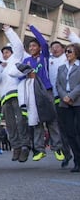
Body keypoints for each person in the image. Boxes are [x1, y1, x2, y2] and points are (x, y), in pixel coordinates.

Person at [22, 24, 64, 162]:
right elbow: (20, 75)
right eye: (30, 47)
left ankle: (57, 148)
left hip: (46, 90)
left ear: (39, 48)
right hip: (33, 92)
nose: (32, 48)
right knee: (36, 121)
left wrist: (32, 28)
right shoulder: (26, 61)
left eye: (35, 46)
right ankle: (39, 150)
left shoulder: (44, 56)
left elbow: (44, 42)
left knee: (52, 119)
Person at [0, 25, 30, 162]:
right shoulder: (0, 67)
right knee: (10, 124)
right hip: (5, 98)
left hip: (16, 94)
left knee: (21, 121)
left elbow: (18, 46)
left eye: (7, 52)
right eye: (3, 52)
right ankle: (16, 146)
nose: (5, 54)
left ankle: (25, 146)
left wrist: (9, 32)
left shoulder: (16, 59)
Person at [56, 43, 80, 172]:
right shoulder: (61, 68)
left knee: (78, 131)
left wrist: (71, 96)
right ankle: (77, 161)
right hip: (65, 104)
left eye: (69, 51)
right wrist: (64, 96)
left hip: (77, 102)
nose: (67, 53)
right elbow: (58, 84)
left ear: (76, 52)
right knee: (70, 133)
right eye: (66, 51)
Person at [49, 41, 72, 167]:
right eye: (52, 48)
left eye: (57, 47)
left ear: (63, 49)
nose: (54, 50)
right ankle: (66, 154)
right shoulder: (50, 61)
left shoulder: (68, 59)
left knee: (74, 127)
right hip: (57, 98)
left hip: (72, 98)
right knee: (61, 128)